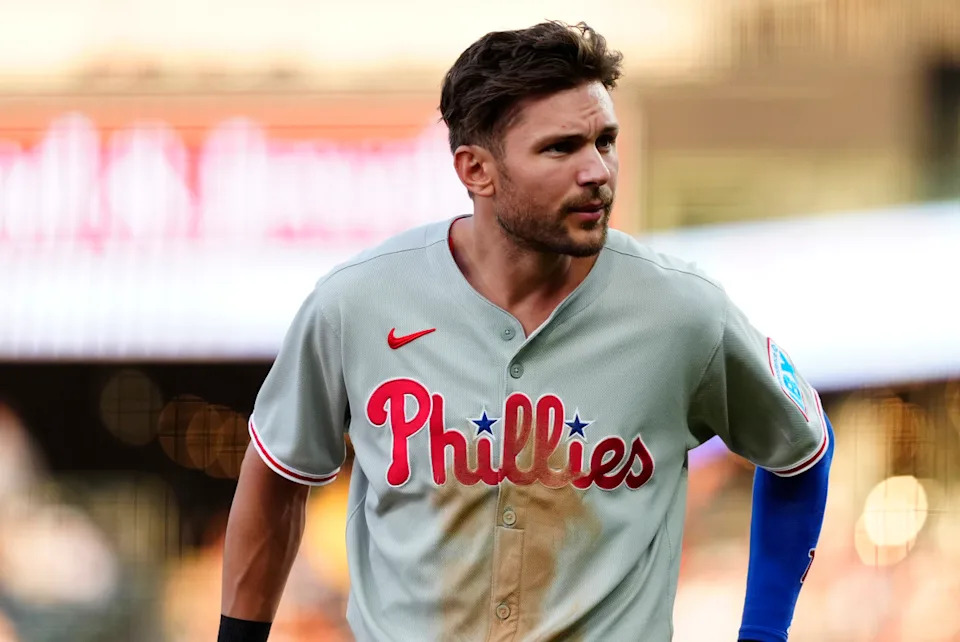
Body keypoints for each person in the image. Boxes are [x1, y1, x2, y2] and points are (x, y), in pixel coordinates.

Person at [219, 21, 834, 642]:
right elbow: (278, 472)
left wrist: (763, 632)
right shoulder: (358, 303)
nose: (597, 171)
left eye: (605, 141)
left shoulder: (682, 311)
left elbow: (802, 447)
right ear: (476, 170)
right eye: (561, 148)